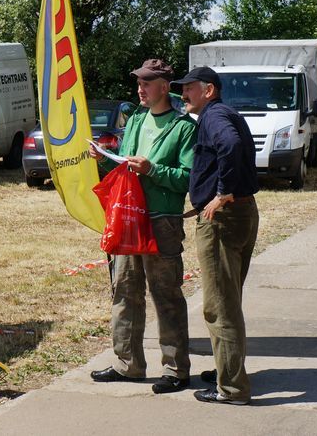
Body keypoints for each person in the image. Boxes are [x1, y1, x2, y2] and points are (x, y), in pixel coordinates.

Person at [89, 59, 197, 394]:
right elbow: (126, 162)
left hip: (161, 221)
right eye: (138, 83)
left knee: (166, 295)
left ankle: (176, 370)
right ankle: (127, 364)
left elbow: (187, 180)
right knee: (124, 291)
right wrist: (105, 157)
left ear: (165, 86)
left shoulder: (184, 127)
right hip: (128, 218)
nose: (140, 89)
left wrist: (153, 170)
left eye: (146, 84)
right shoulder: (135, 118)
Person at [171, 66, 259, 405]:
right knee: (229, 301)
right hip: (240, 213)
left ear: (208, 90)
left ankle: (232, 389)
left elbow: (231, 145)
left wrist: (221, 194)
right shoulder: (223, 113)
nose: (183, 95)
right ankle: (227, 370)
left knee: (219, 307)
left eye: (189, 88)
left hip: (224, 220)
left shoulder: (213, 115)